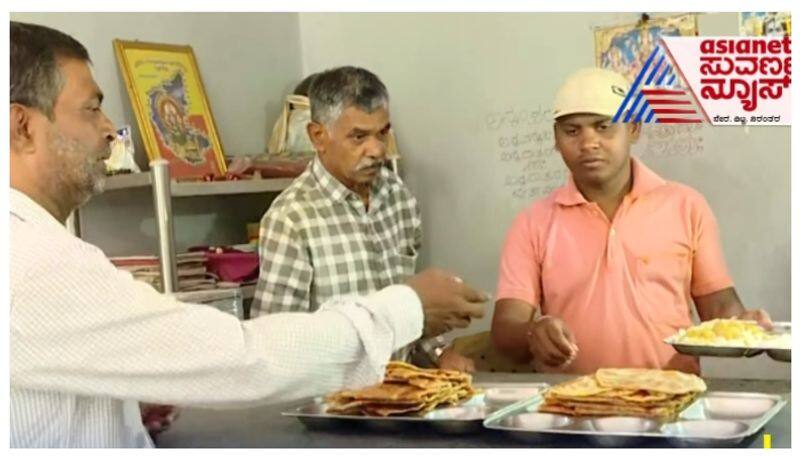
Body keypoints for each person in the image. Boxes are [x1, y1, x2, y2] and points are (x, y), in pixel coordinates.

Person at [9, 21, 487, 448]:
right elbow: (249, 358)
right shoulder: (32, 264)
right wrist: (405, 307)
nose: (111, 129)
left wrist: (122, 405)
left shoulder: (39, 251)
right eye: (92, 109)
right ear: (22, 126)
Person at [490, 67, 772, 375]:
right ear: (556, 139)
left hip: (672, 402)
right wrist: (534, 333)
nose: (588, 143)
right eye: (572, 131)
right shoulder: (533, 222)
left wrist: (745, 326)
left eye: (604, 127)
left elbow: (719, 310)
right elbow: (506, 330)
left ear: (634, 128)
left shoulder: (685, 205)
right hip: (570, 406)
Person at [251, 66, 474, 372]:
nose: (377, 150)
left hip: (400, 395)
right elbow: (274, 343)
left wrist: (439, 352)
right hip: (334, 402)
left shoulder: (398, 196)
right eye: (359, 137)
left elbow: (407, 304)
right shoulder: (291, 219)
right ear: (318, 136)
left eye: (382, 133)